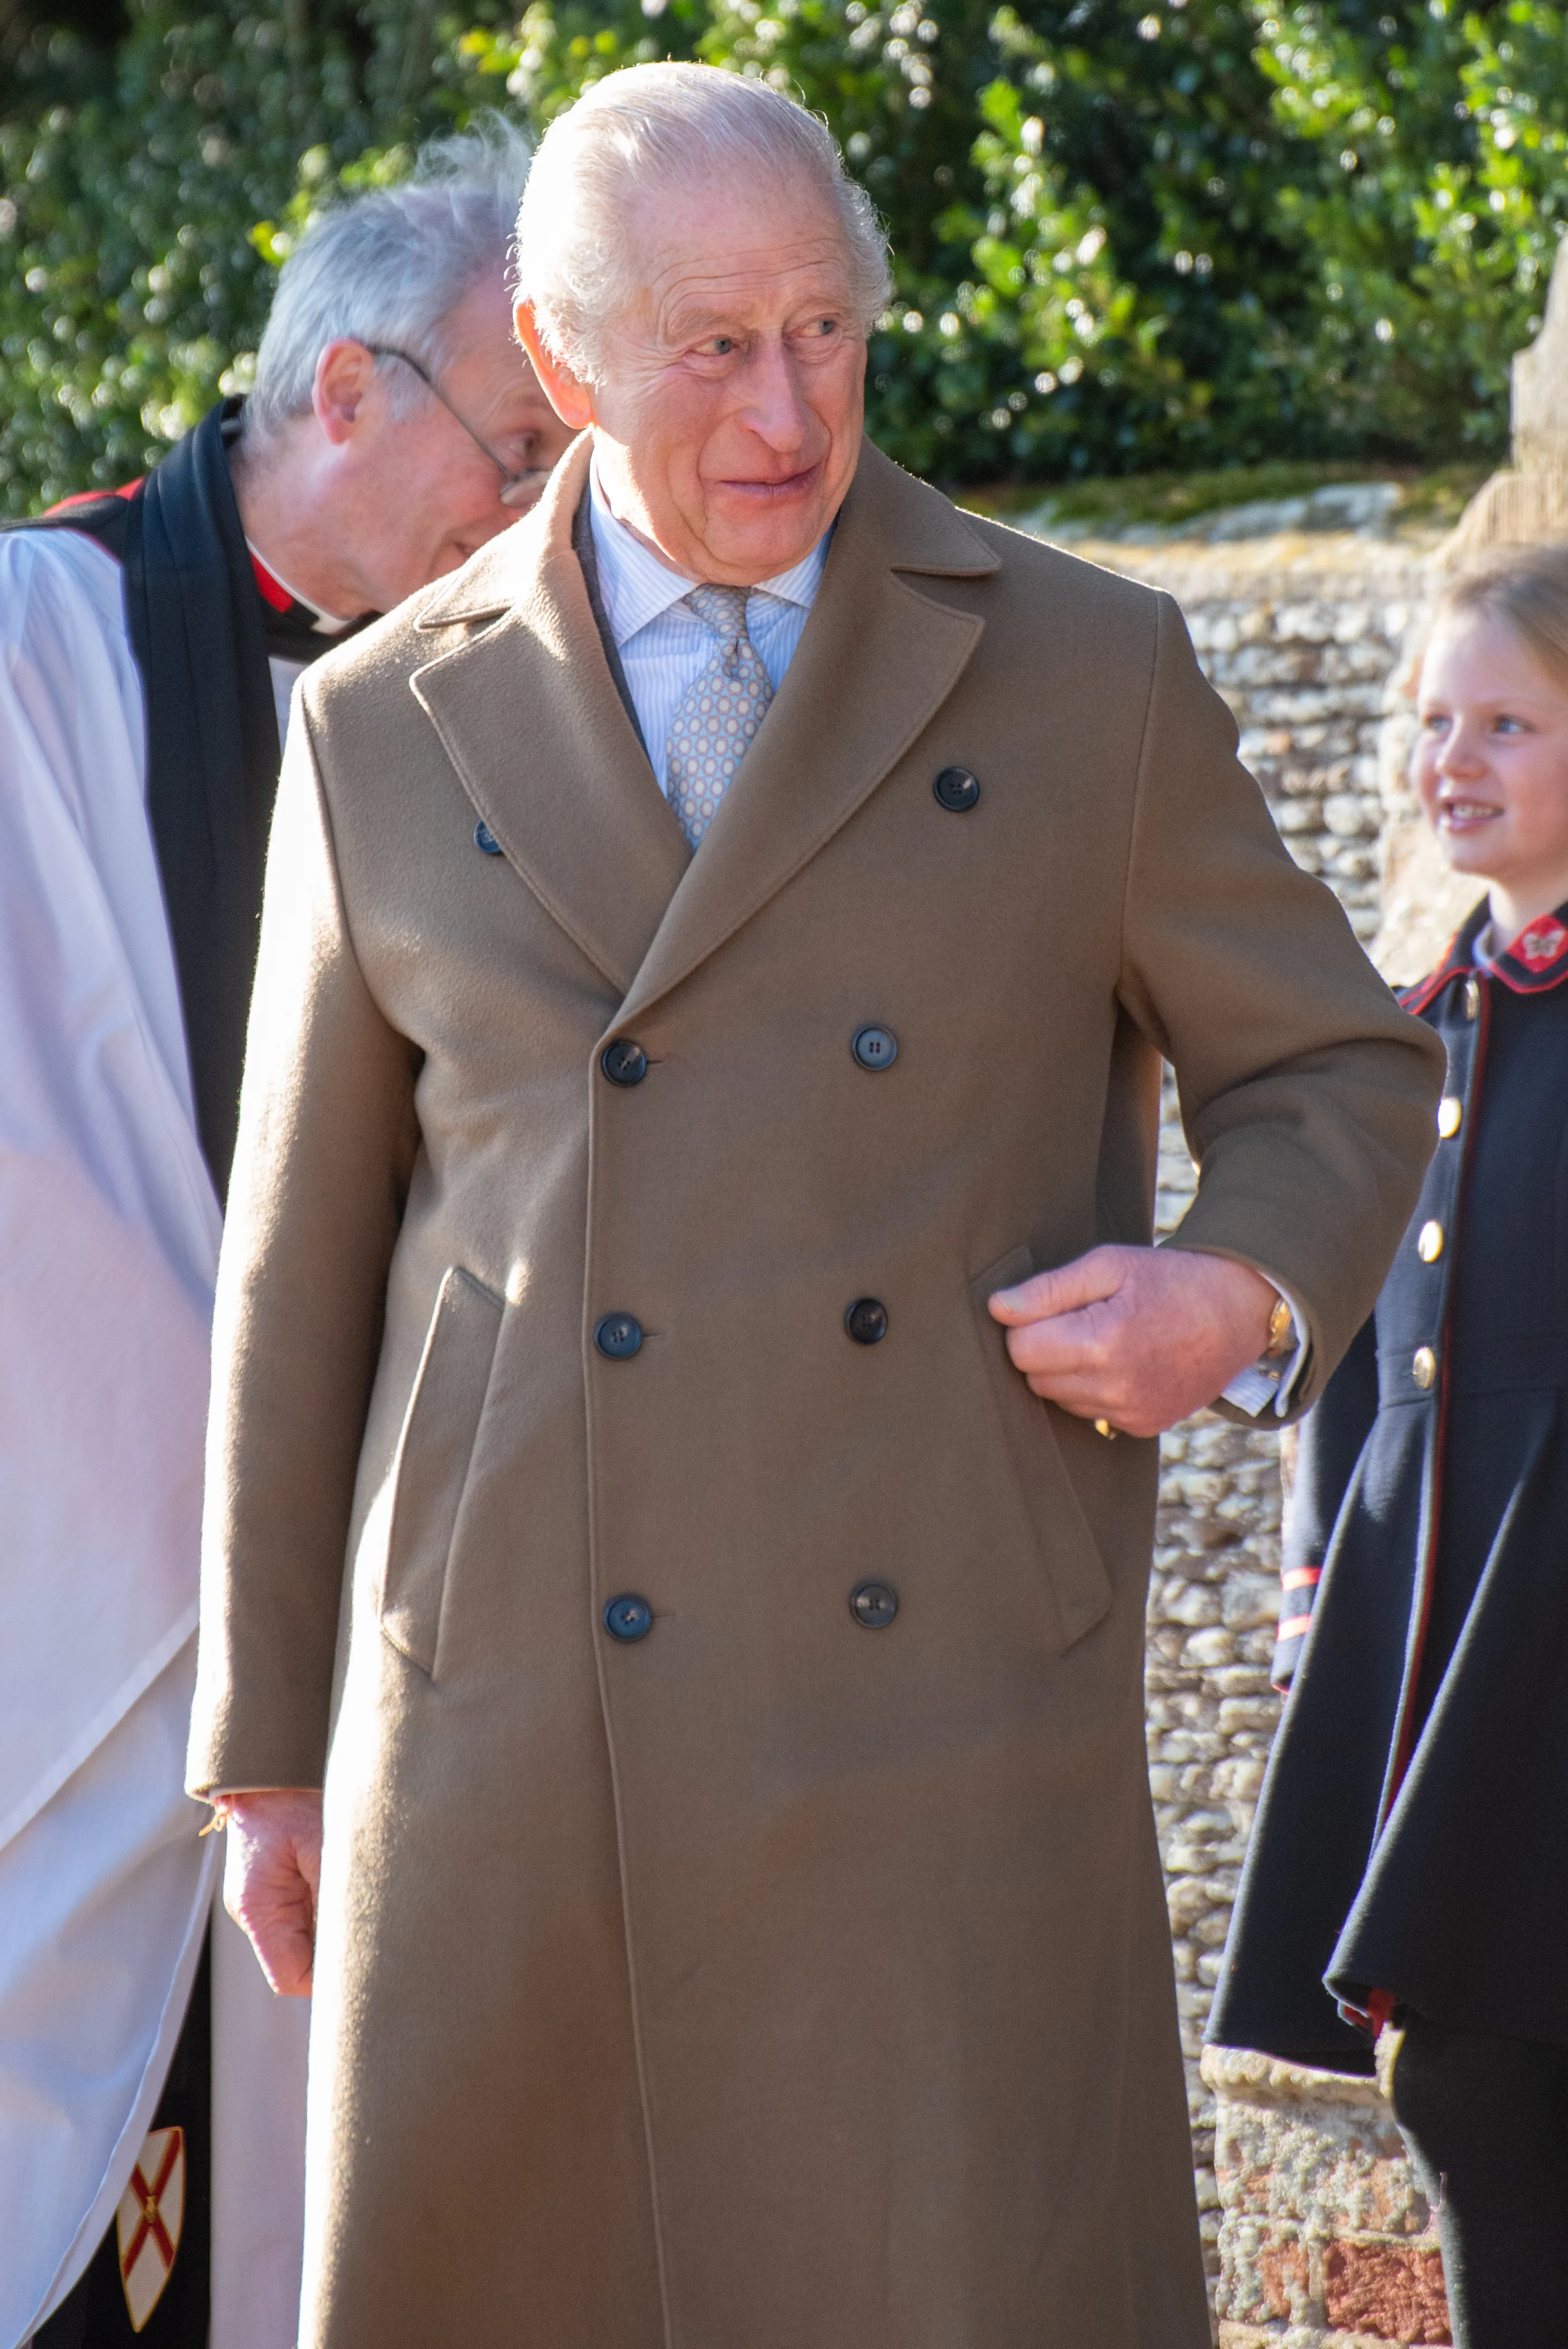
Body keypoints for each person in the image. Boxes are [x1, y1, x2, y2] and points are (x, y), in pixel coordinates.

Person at [188, 62, 1442, 2348]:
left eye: (828, 333)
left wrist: (1236, 1292)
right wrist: (271, 1744)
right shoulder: (379, 723)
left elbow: (1337, 1066)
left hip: (940, 1705)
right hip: (509, 1726)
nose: (789, 408)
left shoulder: (1082, 669)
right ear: (559, 365)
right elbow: (300, 1259)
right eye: (713, 347)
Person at [0, 119, 574, 2349]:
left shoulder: (509, 709)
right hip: (90, 1605)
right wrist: (237, 1477)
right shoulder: (40, 644)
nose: (537, 516)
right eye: (515, 447)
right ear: (345, 392)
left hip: (397, 1616)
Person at [1209, 545, 1568, 2348]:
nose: (1456, 755)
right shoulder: (1416, 1031)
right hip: (1444, 1668)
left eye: (1509, 719)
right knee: (1468, 2081)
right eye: (1436, 719)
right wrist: (1308, 1619)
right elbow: (1344, 1359)